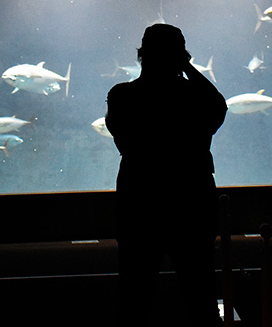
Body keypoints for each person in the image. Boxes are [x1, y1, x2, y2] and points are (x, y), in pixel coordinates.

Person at [105, 23, 227, 327]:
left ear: (142, 54)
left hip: (139, 205)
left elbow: (121, 140)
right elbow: (219, 107)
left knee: (134, 300)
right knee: (201, 299)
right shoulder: (194, 98)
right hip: (192, 205)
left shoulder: (122, 96)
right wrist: (186, 66)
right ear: (181, 55)